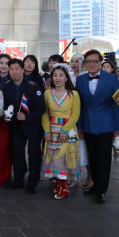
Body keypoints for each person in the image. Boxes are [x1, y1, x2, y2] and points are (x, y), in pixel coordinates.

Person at [75, 50, 119, 204]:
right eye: (89, 61)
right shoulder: (80, 79)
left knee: (104, 159)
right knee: (93, 157)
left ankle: (102, 190)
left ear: (101, 62)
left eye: (95, 61)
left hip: (106, 124)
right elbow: (79, 105)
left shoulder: (112, 78)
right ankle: (95, 184)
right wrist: (80, 125)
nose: (92, 64)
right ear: (85, 63)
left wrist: (118, 126)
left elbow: (118, 103)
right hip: (88, 124)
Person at [2, 58, 45, 194]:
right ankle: (18, 181)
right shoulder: (7, 86)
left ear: (22, 70)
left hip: (33, 126)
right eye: (11, 69)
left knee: (33, 154)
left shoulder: (34, 86)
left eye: (17, 69)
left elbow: (41, 108)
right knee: (17, 153)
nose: (14, 72)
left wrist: (28, 116)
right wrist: (6, 114)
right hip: (16, 126)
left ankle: (33, 182)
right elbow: (6, 105)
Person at [41, 65, 81, 199]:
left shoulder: (73, 94)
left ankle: (64, 187)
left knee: (61, 159)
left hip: (67, 131)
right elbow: (45, 114)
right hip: (52, 130)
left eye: (61, 75)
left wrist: (65, 130)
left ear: (66, 78)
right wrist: (47, 130)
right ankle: (59, 184)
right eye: (55, 75)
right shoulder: (47, 93)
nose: (58, 78)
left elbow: (75, 115)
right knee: (54, 158)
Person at [69, 52, 92, 190]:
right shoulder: (68, 77)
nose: (74, 64)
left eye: (77, 61)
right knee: (72, 149)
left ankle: (90, 177)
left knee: (85, 149)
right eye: (72, 61)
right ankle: (74, 177)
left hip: (84, 116)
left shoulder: (87, 77)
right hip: (70, 117)